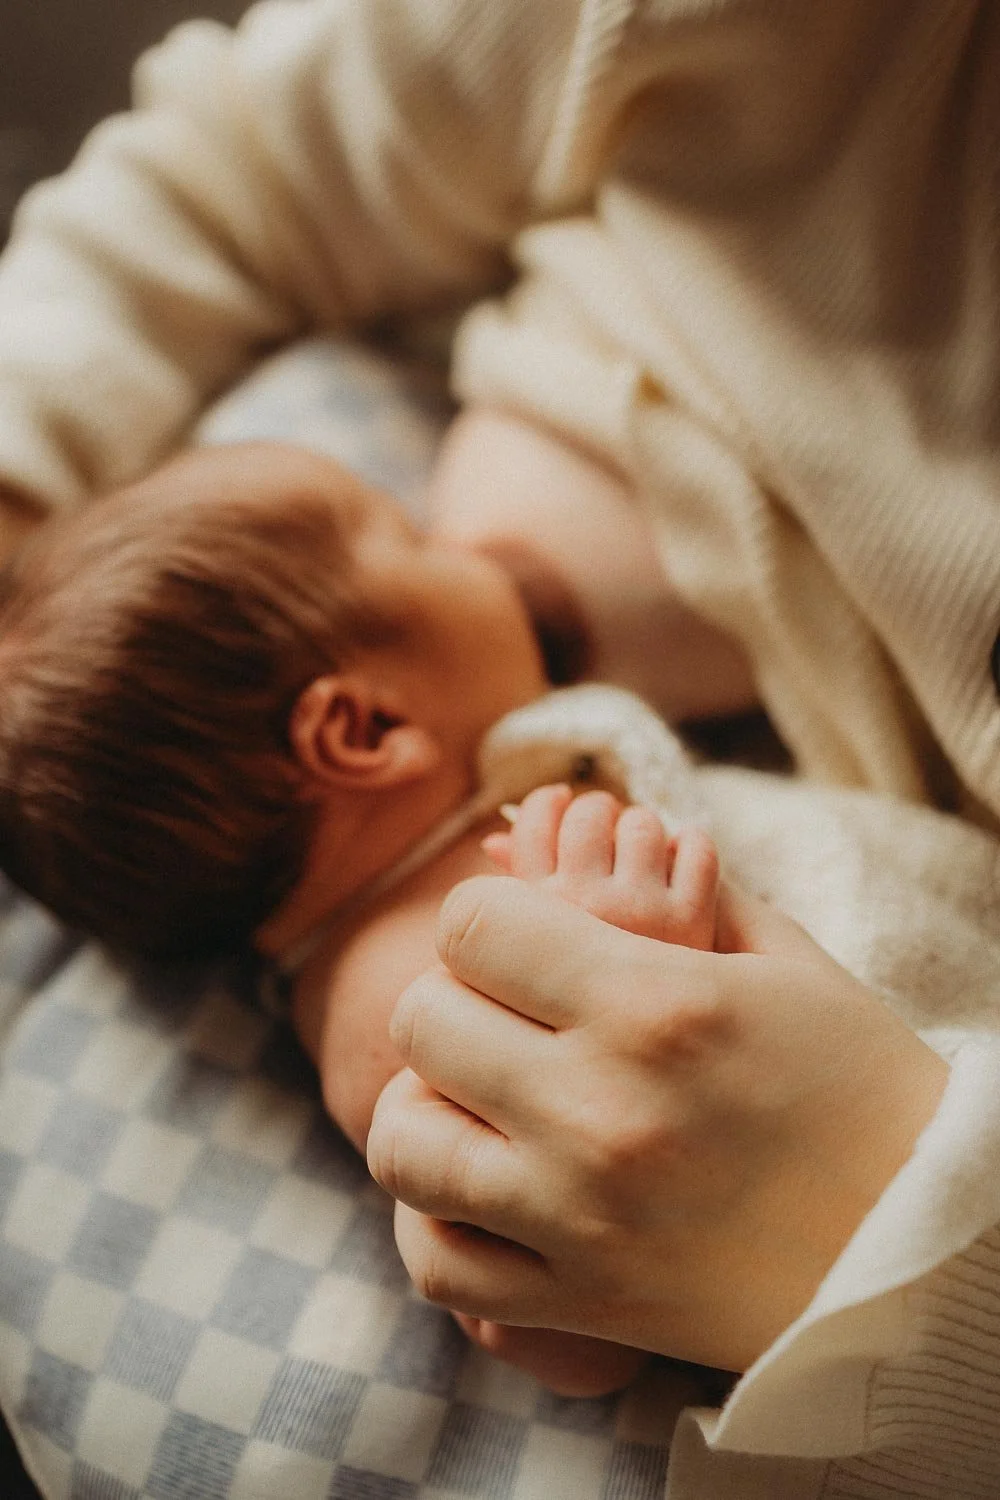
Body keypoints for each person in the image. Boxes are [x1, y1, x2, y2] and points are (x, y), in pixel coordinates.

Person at [0, 0, 998, 1492]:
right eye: (404, 532)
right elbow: (559, 1299)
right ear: (362, 727)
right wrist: (640, 947)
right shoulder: (406, 981)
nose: (439, 523)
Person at [0, 436, 724, 1397]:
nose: (468, 544)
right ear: (365, 731)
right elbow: (569, 1340)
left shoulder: (453, 843)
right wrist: (643, 966)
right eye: (418, 539)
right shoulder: (393, 1000)